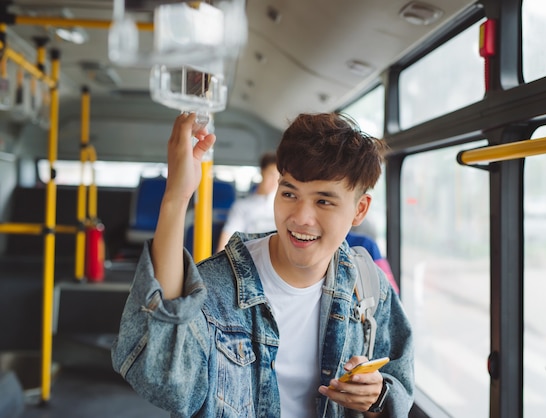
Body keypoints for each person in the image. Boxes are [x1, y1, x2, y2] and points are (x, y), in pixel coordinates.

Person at [111, 112, 414, 417]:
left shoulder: (369, 288)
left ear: (359, 210)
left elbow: (398, 391)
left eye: (323, 201)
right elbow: (162, 380)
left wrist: (377, 397)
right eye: (289, 193)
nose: (300, 217)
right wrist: (176, 196)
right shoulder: (217, 287)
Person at [216, 151, 279, 252]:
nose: (275, 181)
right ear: (262, 172)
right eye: (272, 174)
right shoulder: (242, 206)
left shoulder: (283, 206)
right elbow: (226, 241)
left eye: (279, 176)